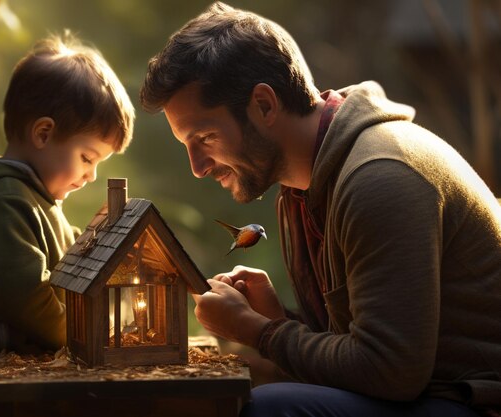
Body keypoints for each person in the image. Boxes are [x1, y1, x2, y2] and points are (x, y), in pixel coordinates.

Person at [140, 3, 501, 416]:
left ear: (264, 105)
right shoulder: (302, 189)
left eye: (204, 137)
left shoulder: (381, 178)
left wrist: (261, 332)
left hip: (472, 401)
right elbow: (354, 343)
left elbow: (391, 370)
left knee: (270, 409)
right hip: (426, 392)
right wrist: (277, 317)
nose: (198, 168)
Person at [0, 34, 134, 371]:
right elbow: (28, 301)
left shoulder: (37, 201)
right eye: (87, 158)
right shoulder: (3, 201)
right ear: (43, 133)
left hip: (17, 371)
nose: (91, 175)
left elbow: (70, 267)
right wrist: (89, 334)